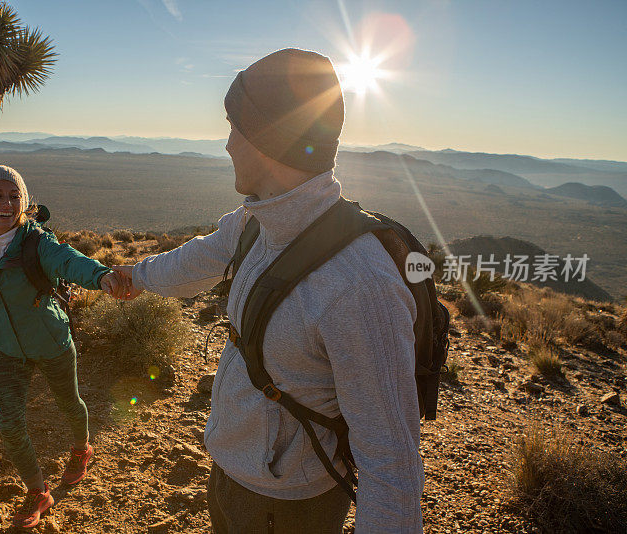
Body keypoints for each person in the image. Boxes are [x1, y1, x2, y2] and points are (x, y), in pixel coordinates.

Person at [114, 48, 424, 533]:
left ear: (265, 139)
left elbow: (391, 465)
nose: (228, 145)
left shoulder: (359, 287)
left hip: (288, 507)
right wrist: (138, 276)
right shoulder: (258, 222)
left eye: (236, 128)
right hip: (233, 473)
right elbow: (200, 259)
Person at [0, 165, 127, 528]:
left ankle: (82, 450)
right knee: (9, 424)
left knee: (69, 402)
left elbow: (69, 260)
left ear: (24, 202)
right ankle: (38, 492)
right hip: (5, 346)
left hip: (51, 340)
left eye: (15, 196)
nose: (7, 203)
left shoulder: (37, 242)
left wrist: (102, 276)